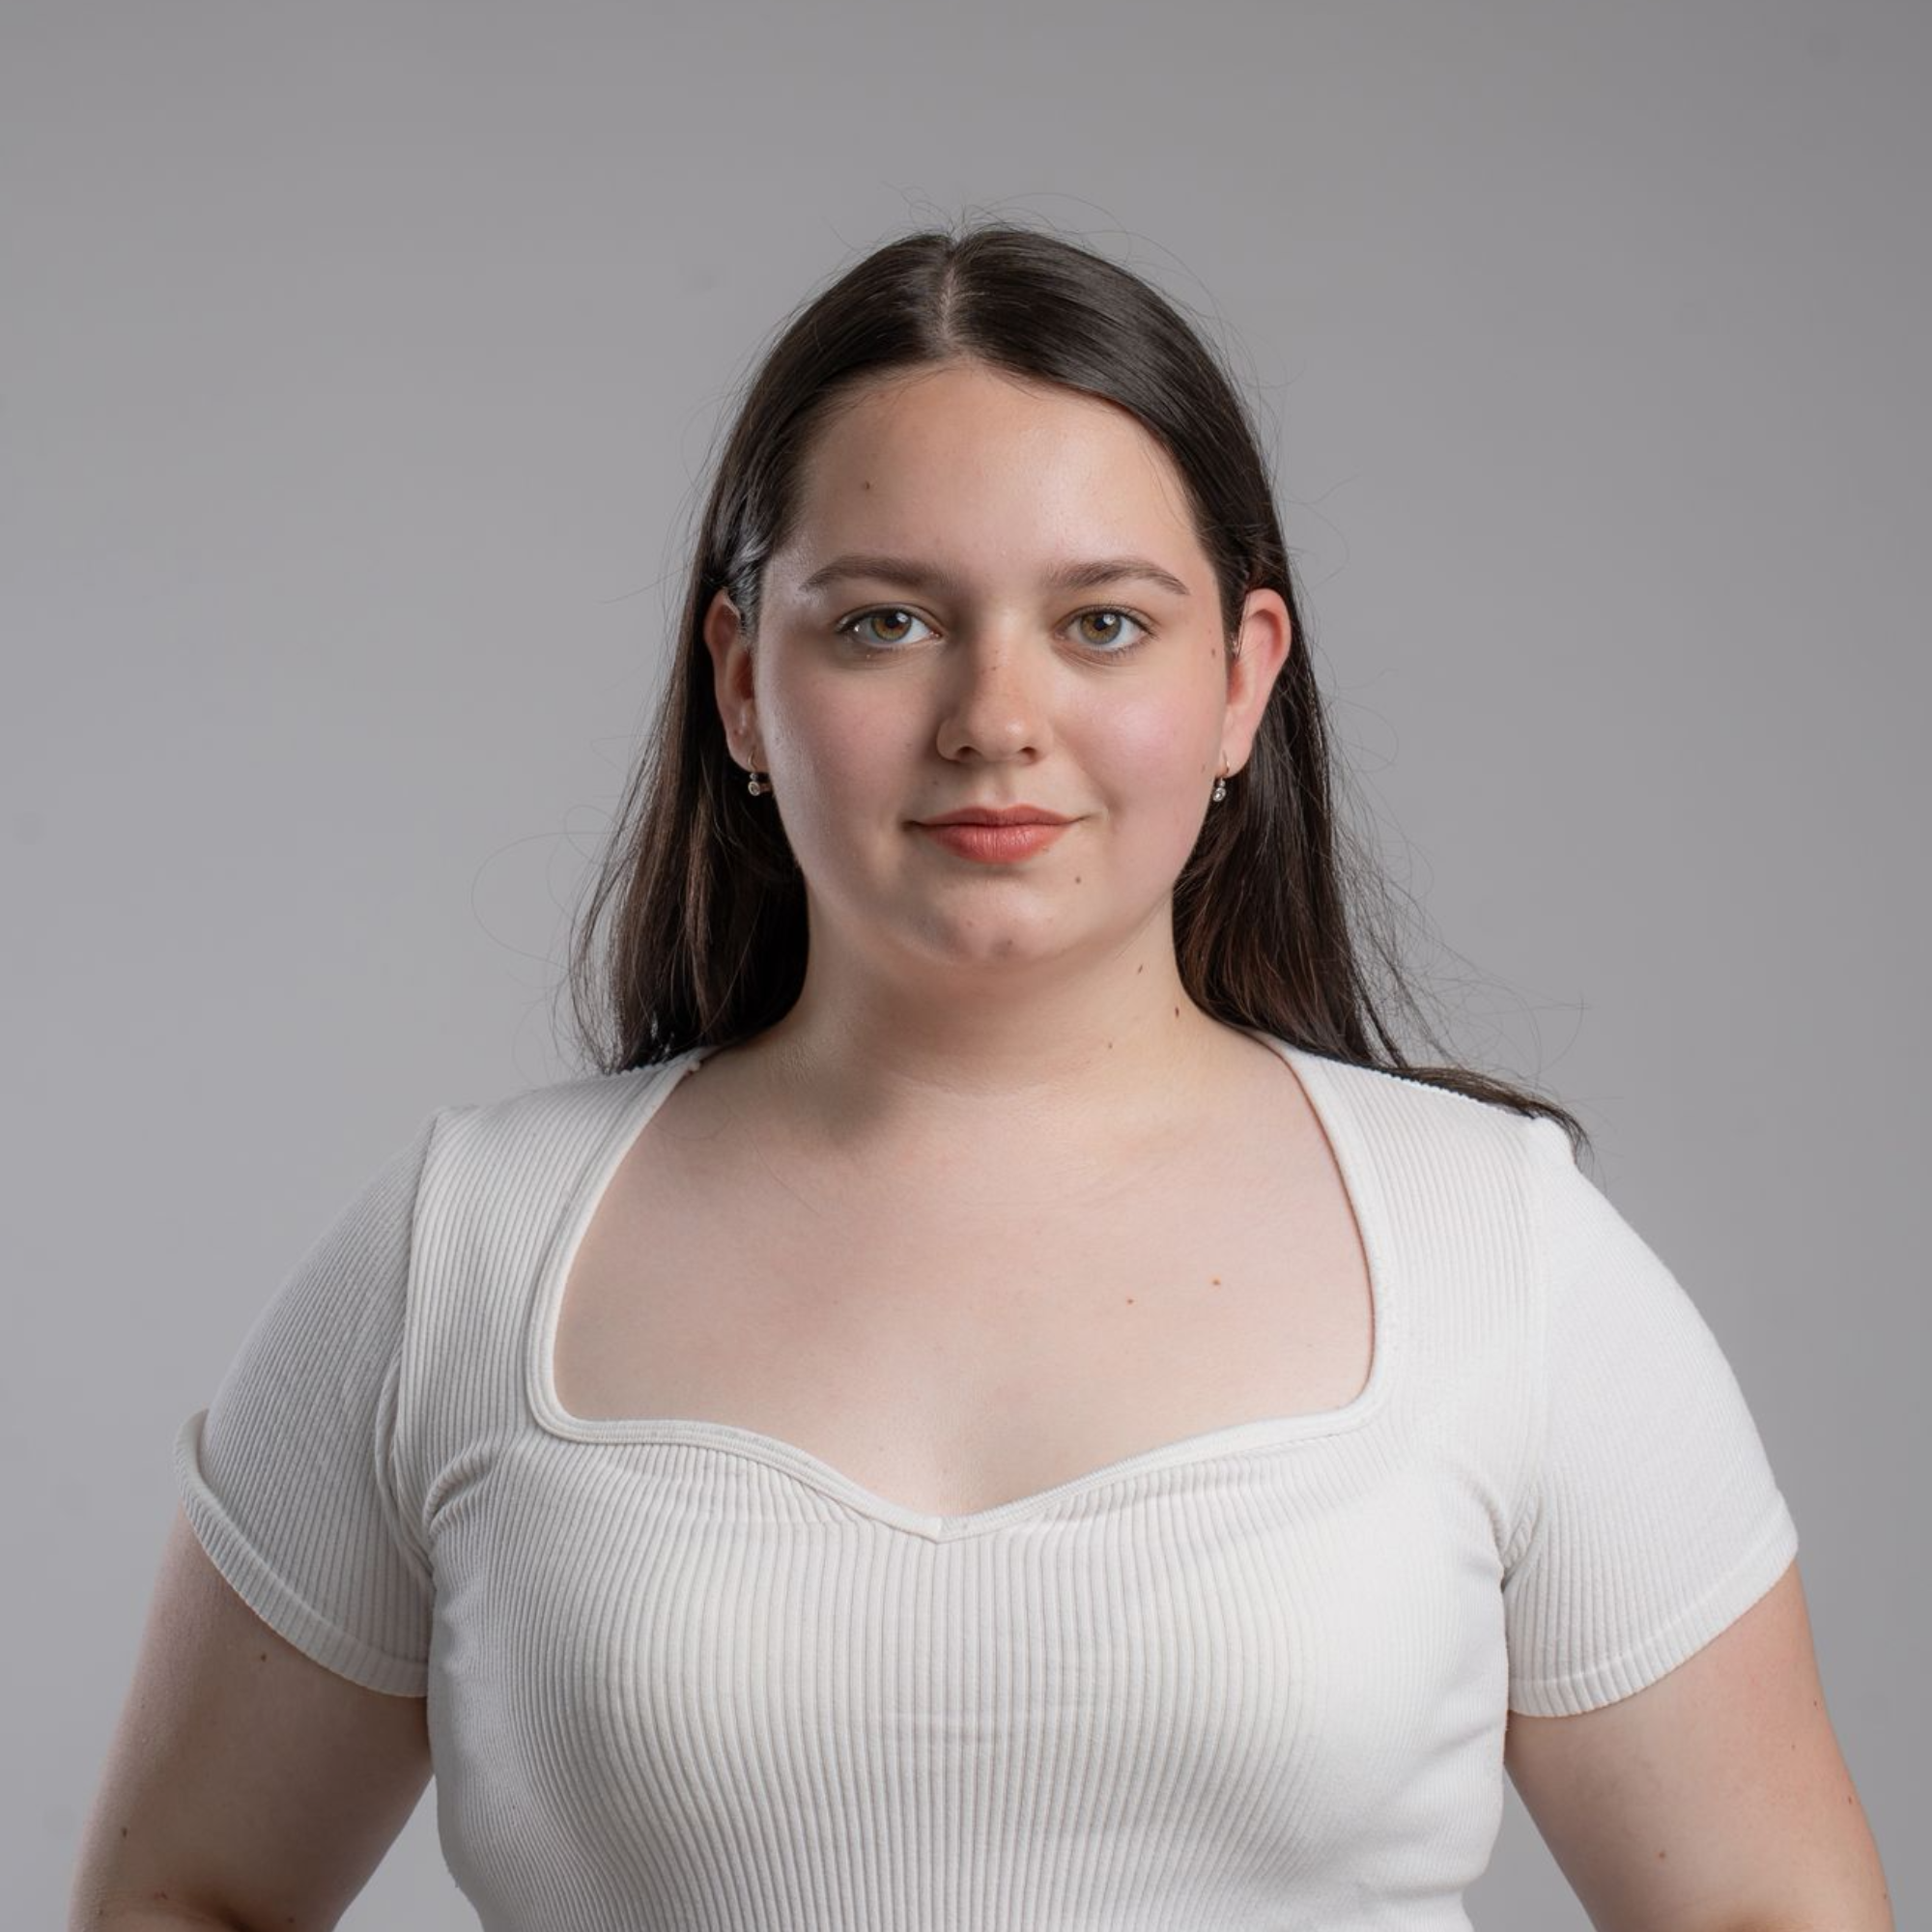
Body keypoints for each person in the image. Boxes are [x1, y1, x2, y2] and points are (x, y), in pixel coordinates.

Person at [71, 221, 1891, 1930]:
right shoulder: (465, 1254)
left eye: (1103, 622)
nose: (996, 720)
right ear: (741, 682)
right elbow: (178, 1892)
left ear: (1243, 679)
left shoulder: (1498, 1255)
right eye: (887, 620)